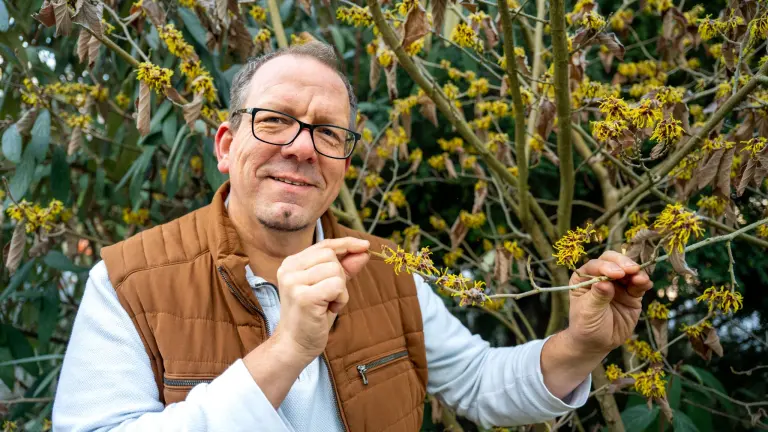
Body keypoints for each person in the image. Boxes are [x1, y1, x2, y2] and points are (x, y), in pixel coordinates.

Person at [52, 41, 653, 432]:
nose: (300, 148)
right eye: (276, 120)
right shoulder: (129, 281)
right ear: (226, 145)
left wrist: (582, 344)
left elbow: (478, 382)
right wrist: (287, 348)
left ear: (343, 162)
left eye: (327, 133)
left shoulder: (384, 271)